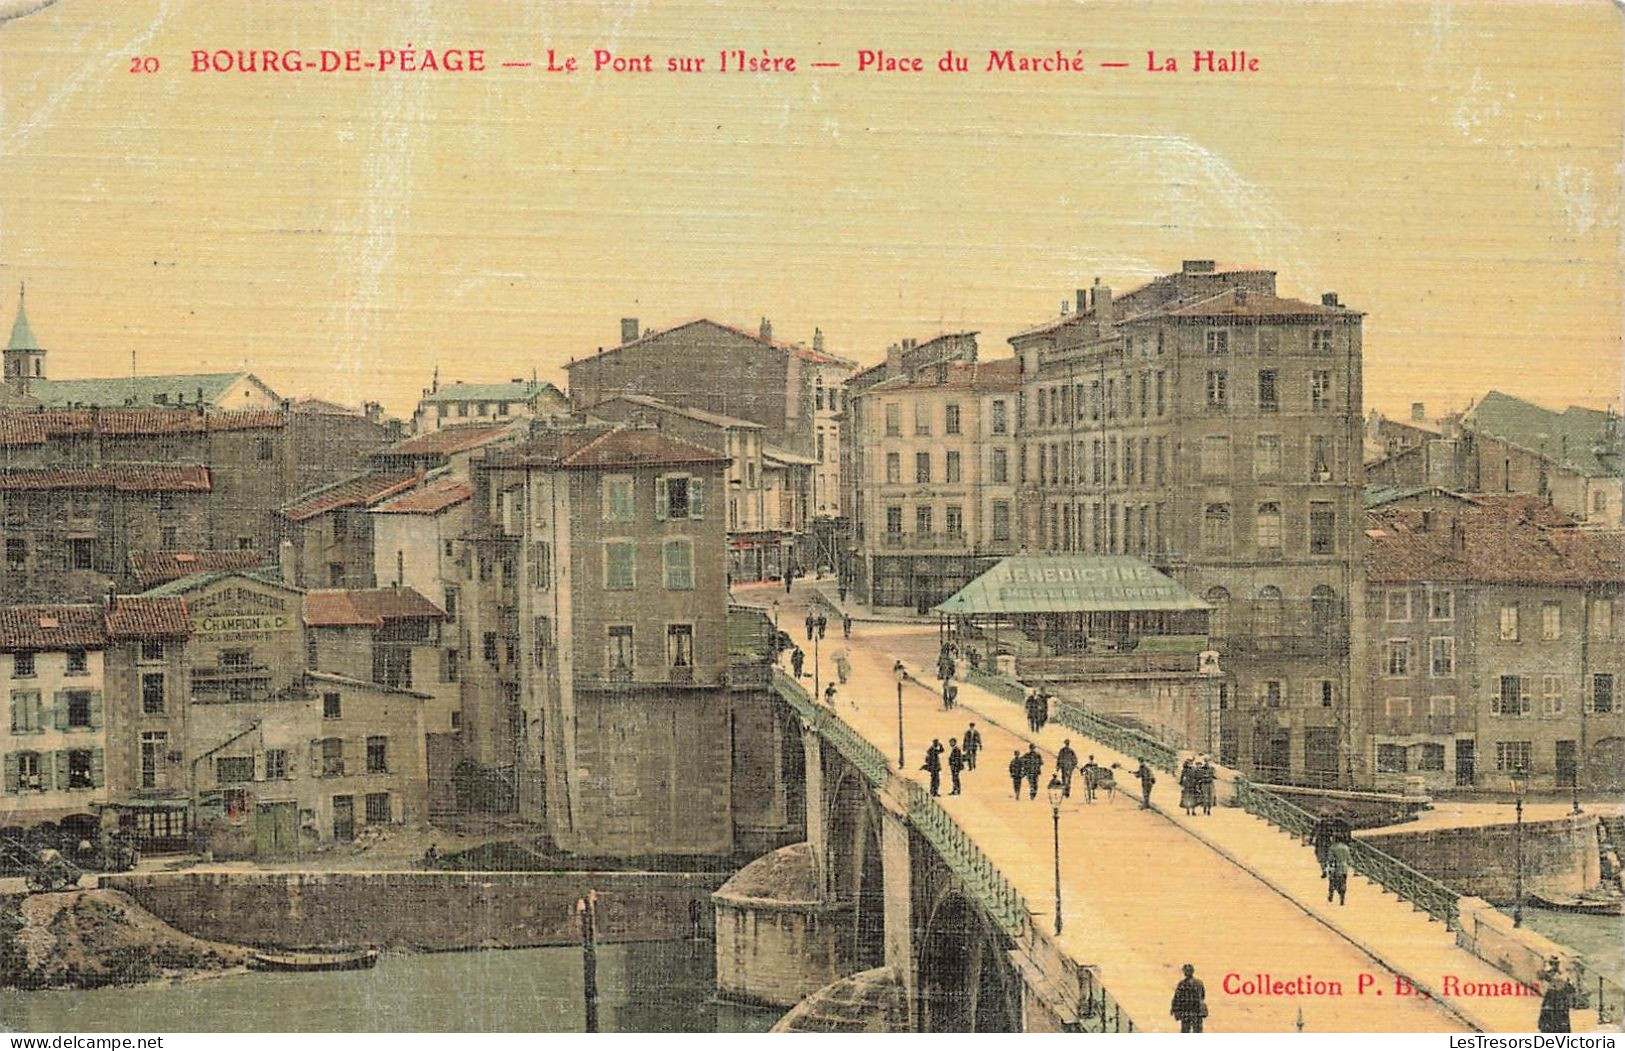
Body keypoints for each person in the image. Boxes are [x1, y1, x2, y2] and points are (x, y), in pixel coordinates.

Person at [1537, 955, 1575, 1033]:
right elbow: (1540, 976)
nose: (1554, 966)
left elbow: (1569, 986)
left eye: (1555, 964)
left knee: (1560, 1017)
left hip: (1559, 996)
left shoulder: (1562, 974)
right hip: (1552, 995)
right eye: (1553, 963)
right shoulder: (1549, 973)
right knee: (1549, 1016)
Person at [1170, 964, 1207, 1033]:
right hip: (1197, 1011)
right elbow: (1203, 996)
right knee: (1197, 1031)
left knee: (1185, 1030)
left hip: (1186, 1011)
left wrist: (1173, 1009)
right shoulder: (1199, 983)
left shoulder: (1182, 984)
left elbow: (1177, 998)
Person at [1325, 834, 1352, 906]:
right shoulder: (1346, 848)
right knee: (1343, 882)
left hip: (1335, 867)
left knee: (1332, 882)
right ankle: (1342, 898)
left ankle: (1331, 896)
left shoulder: (1333, 848)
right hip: (1344, 867)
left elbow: (1330, 859)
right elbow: (1349, 859)